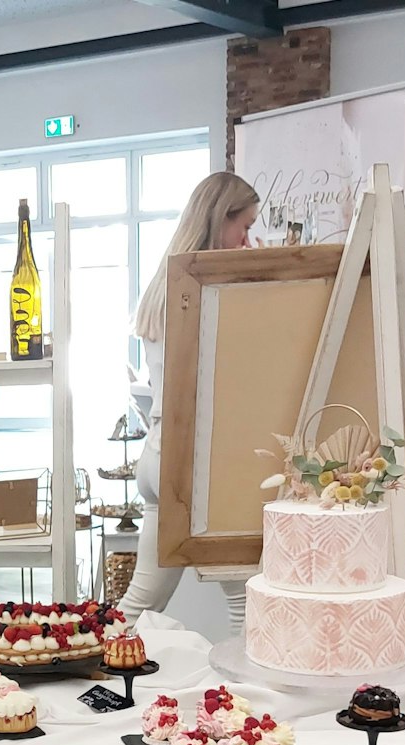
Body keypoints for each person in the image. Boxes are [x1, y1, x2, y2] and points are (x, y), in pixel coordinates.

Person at [119, 171, 260, 629]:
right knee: (244, 599)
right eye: (245, 227)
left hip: (159, 456)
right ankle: (245, 697)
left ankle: (92, 666)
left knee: (142, 601)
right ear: (222, 221)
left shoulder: (166, 283)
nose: (247, 239)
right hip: (194, 461)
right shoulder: (203, 289)